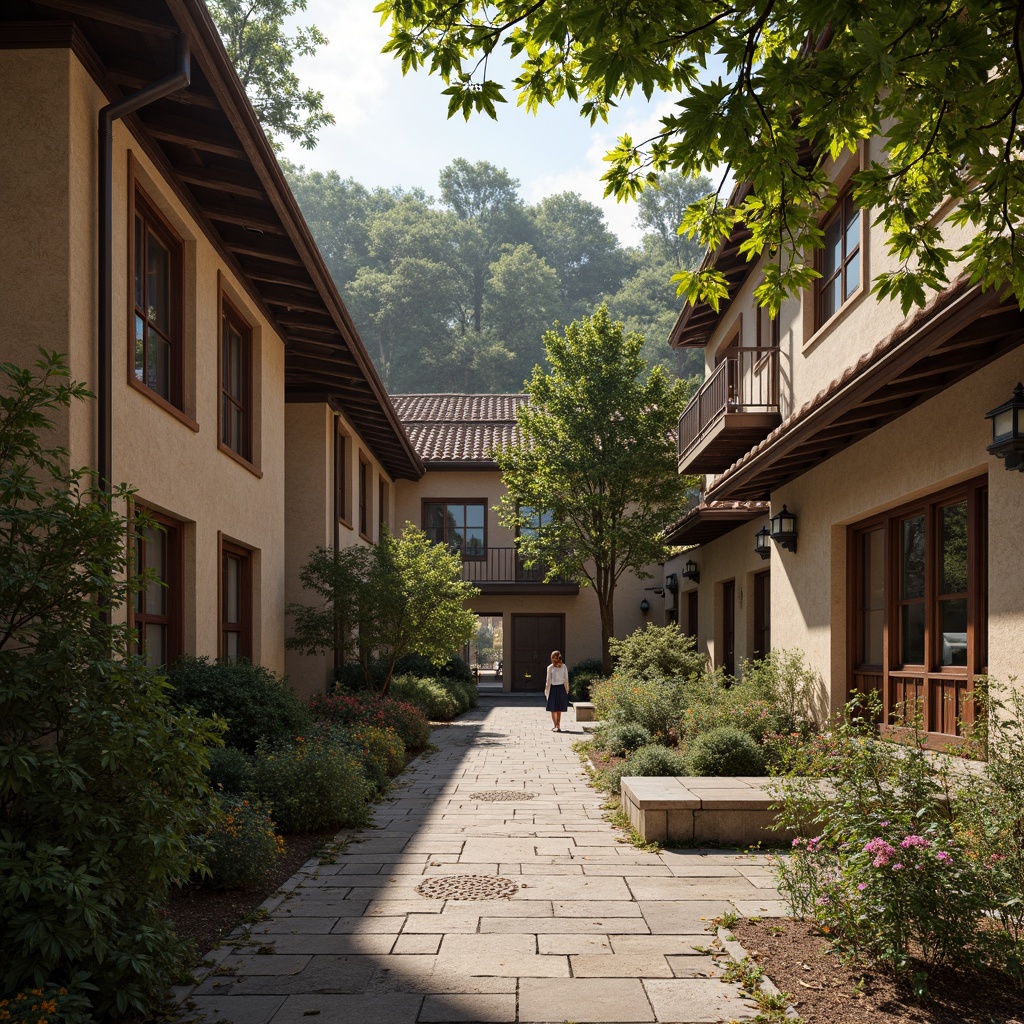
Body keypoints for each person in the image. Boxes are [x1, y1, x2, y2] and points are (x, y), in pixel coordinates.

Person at [545, 650, 570, 731]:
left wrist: (566, 690)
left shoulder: (563, 667)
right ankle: (556, 725)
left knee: (557, 708)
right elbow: (548, 681)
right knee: (553, 708)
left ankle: (557, 725)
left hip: (559, 688)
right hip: (555, 688)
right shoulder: (550, 667)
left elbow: (566, 679)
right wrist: (547, 690)